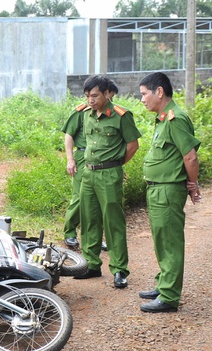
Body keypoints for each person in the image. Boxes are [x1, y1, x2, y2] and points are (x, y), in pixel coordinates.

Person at [138, 72, 201, 313]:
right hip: (158, 190)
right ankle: (164, 284)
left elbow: (190, 156)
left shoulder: (175, 119)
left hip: (167, 191)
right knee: (161, 240)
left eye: (144, 94)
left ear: (159, 92)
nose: (142, 99)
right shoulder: (163, 119)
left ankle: (169, 297)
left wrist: (193, 186)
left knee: (170, 242)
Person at [74, 75, 141, 289]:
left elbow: (133, 145)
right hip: (88, 173)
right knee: (89, 220)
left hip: (109, 174)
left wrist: (116, 164)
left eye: (94, 96)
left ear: (106, 93)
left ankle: (119, 269)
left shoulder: (121, 116)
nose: (90, 100)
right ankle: (92, 264)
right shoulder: (86, 114)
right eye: (87, 96)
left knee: (113, 222)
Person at [62, 80, 119, 249]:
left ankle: (95, 237)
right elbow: (68, 135)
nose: (110, 99)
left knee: (99, 201)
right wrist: (70, 159)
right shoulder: (82, 112)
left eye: (112, 96)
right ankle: (70, 232)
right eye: (89, 96)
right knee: (80, 197)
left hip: (101, 161)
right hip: (82, 157)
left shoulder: (112, 113)